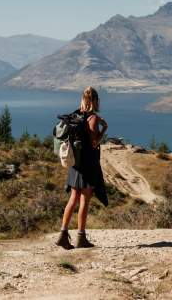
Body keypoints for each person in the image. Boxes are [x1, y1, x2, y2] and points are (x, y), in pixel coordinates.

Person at [56, 86, 108, 249]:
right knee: (85, 199)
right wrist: (104, 128)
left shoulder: (76, 114)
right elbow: (94, 142)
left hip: (75, 164)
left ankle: (63, 235)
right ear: (96, 101)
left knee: (73, 199)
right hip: (88, 164)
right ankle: (80, 237)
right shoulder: (92, 118)